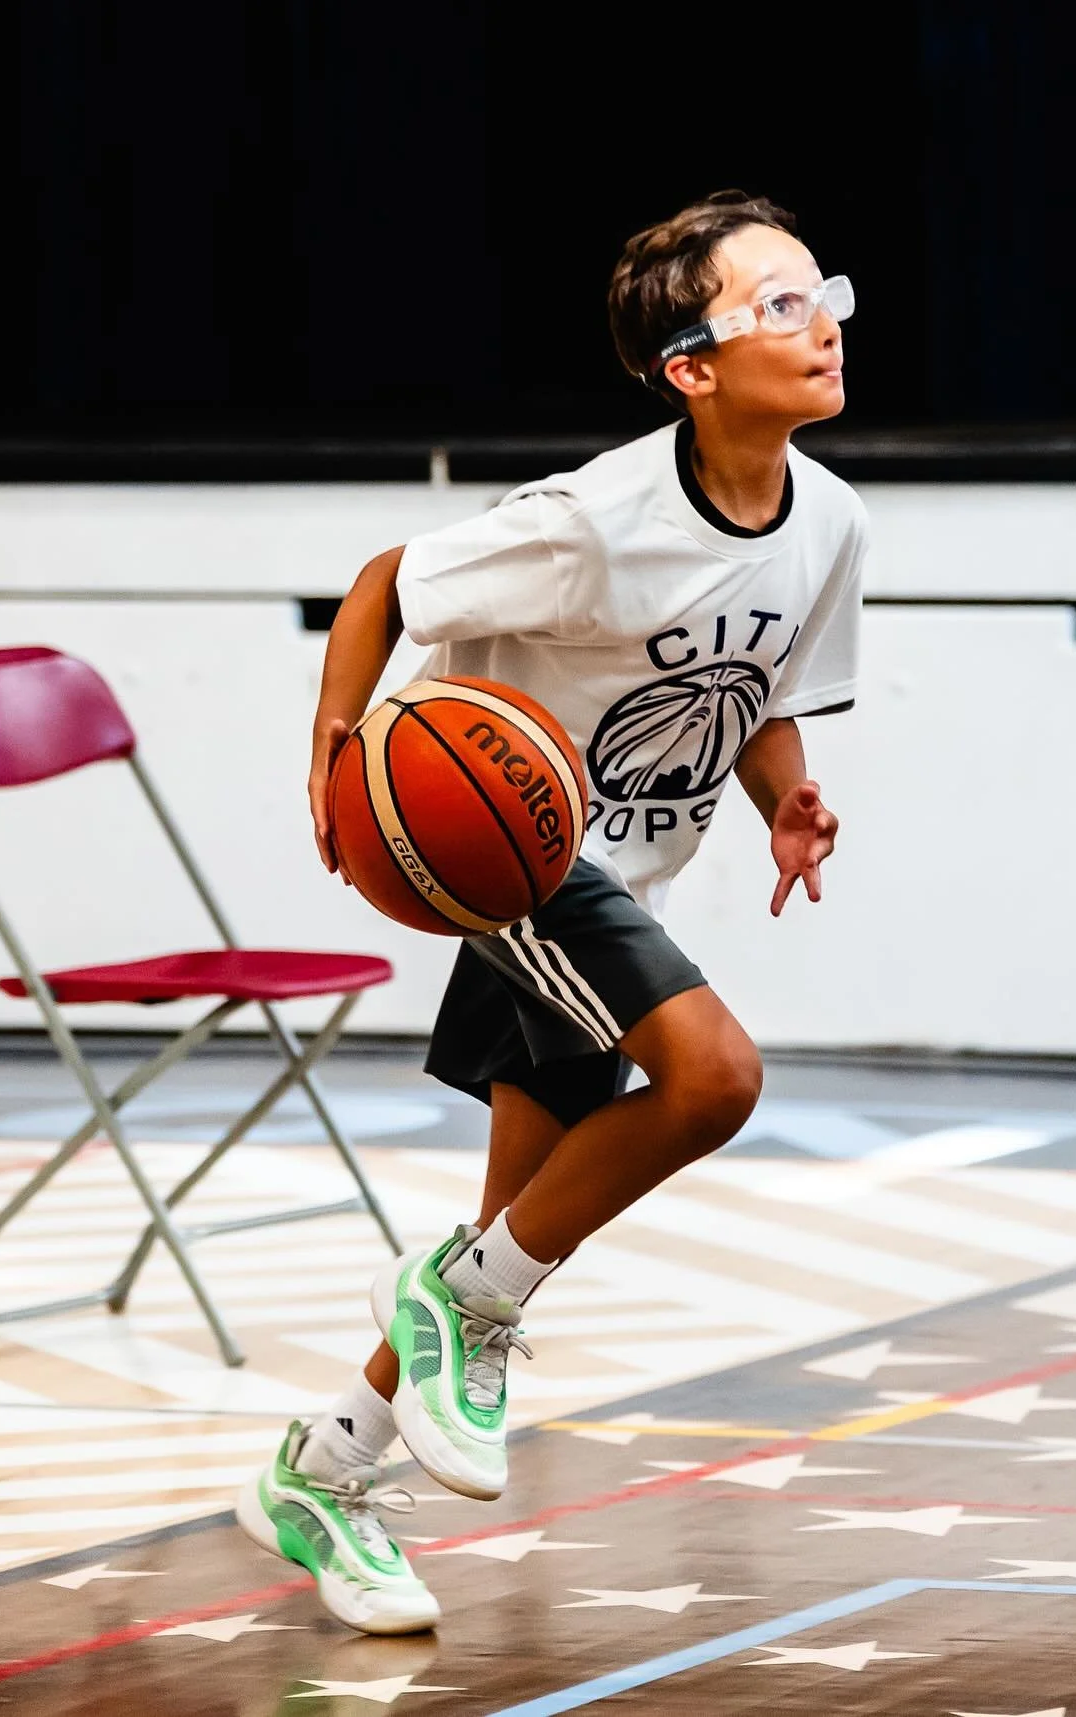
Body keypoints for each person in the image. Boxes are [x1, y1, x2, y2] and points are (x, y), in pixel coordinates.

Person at [236, 188, 868, 1633]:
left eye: (821, 288)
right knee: (714, 1079)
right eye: (777, 304)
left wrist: (786, 792)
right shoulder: (598, 520)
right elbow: (389, 581)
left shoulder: (827, 519)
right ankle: (457, 1307)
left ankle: (323, 1475)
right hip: (520, 855)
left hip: (622, 869)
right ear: (689, 368)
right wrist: (337, 752)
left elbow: (756, 678)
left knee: (514, 1229)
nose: (820, 318)